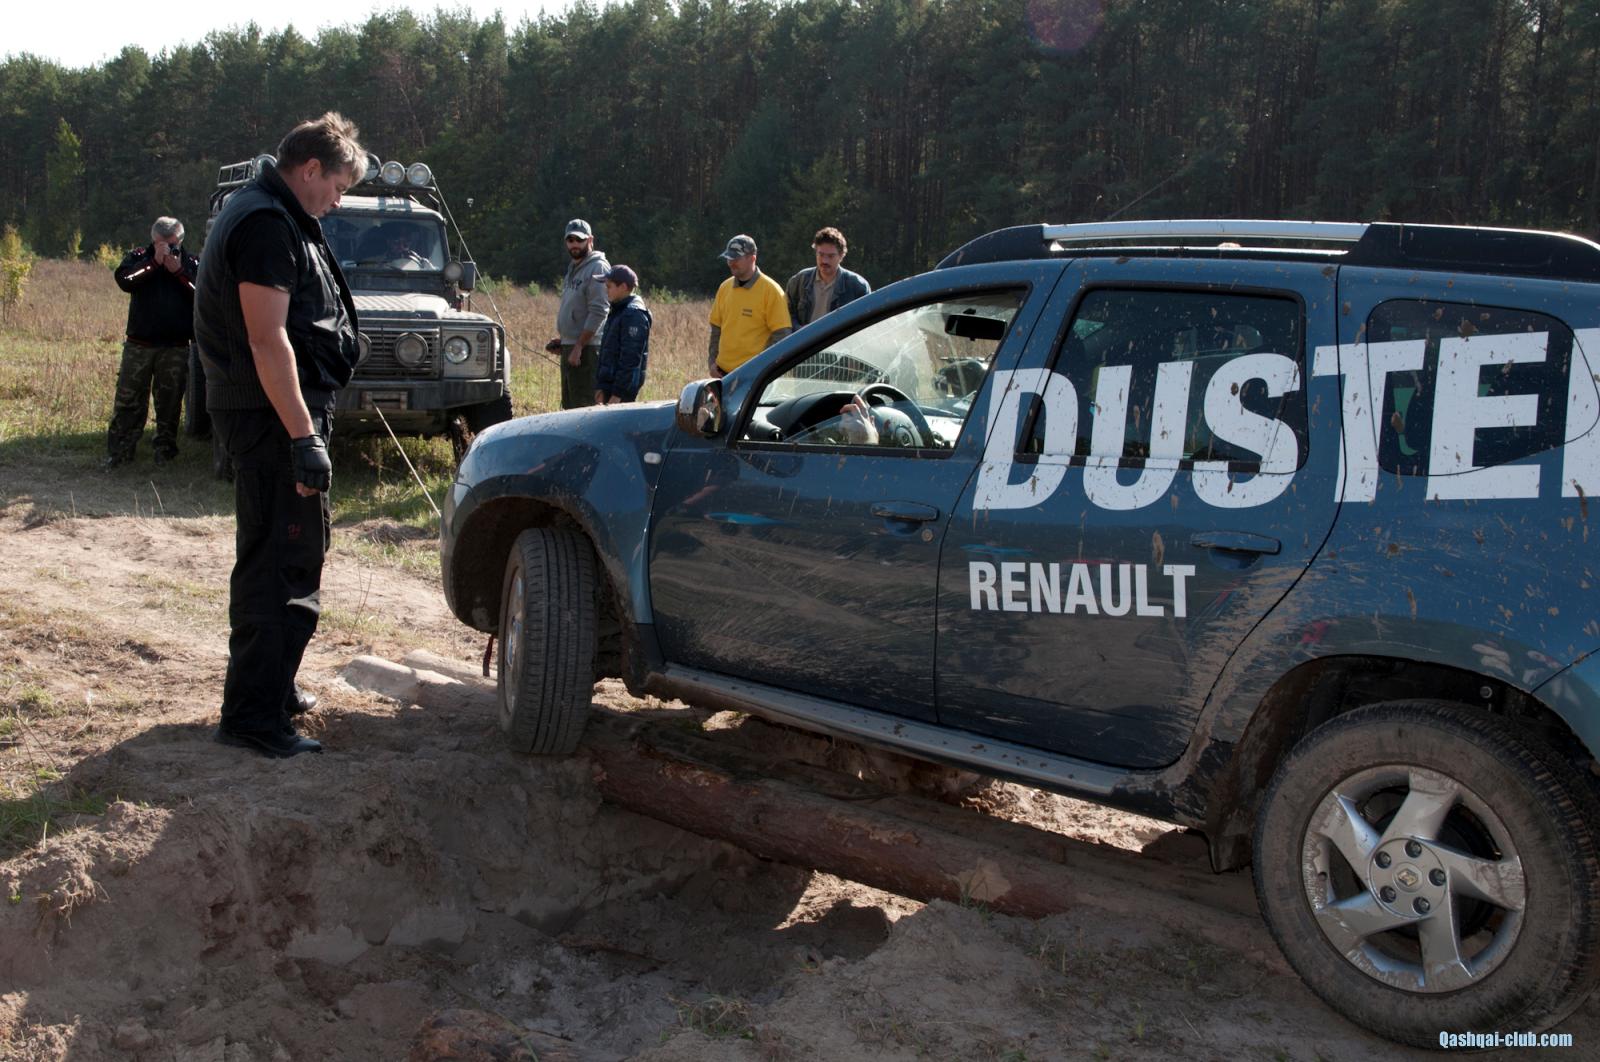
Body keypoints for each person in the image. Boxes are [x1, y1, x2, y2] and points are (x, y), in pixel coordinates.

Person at [192, 111, 366, 759]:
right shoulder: (266, 222)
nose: (338, 201)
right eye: (337, 187)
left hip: (274, 415)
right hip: (272, 419)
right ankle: (253, 717)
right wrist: (302, 437)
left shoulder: (273, 212)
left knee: (287, 550)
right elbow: (267, 340)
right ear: (310, 169)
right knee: (281, 562)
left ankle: (271, 685)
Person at [105, 217, 199, 468]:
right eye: (161, 244)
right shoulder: (138, 257)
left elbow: (200, 292)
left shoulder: (191, 262)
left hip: (175, 346)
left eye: (172, 244)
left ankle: (165, 451)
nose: (167, 249)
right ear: (153, 240)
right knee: (129, 399)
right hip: (140, 345)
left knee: (170, 402)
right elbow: (125, 281)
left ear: (180, 241)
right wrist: (153, 263)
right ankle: (121, 451)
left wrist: (178, 272)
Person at [546, 219, 610, 409]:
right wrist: (565, 340)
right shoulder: (573, 268)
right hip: (572, 347)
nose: (574, 244)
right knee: (570, 406)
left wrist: (579, 345)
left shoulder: (597, 268)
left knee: (585, 407)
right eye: (570, 240)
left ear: (590, 240)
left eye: (579, 240)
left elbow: (599, 310)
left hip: (587, 350)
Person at [707, 233, 791, 376]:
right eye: (729, 258)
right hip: (722, 374)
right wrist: (712, 363)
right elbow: (716, 329)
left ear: (752, 258)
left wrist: (761, 369)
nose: (731, 262)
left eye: (736, 258)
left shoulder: (772, 291)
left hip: (754, 377)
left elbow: (782, 336)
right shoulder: (724, 288)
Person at [784, 226, 871, 328]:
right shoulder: (799, 281)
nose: (824, 261)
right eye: (821, 255)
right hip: (805, 338)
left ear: (841, 256)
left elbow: (866, 322)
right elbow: (786, 314)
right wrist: (800, 330)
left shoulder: (858, 286)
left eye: (830, 256)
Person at [594, 265, 651, 405]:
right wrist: (601, 386)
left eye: (609, 286)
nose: (606, 290)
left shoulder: (633, 314)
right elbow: (608, 352)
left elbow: (630, 359)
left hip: (620, 393)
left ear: (623, 287)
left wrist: (618, 394)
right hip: (609, 388)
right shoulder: (618, 309)